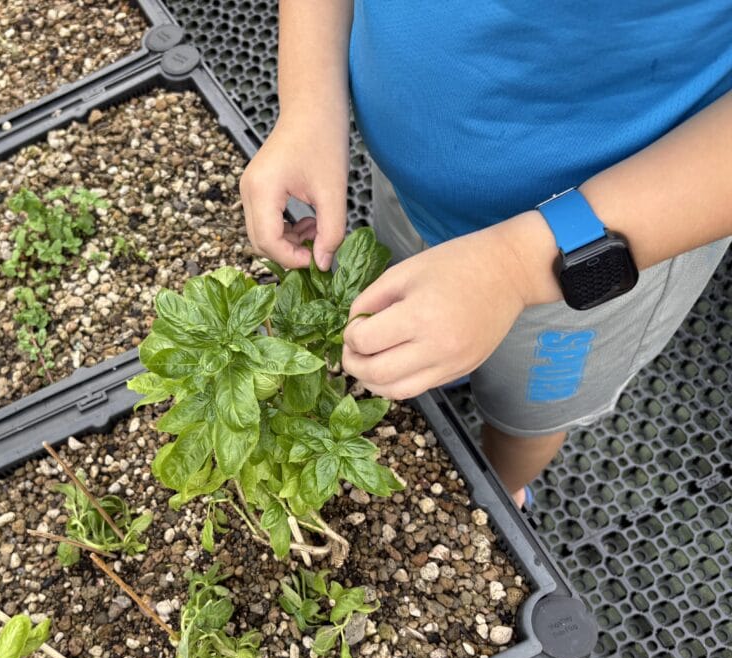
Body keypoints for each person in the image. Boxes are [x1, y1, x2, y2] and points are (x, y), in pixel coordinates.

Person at [240, 1, 732, 509]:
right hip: (406, 187)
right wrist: (307, 102)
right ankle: (446, 364)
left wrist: (515, 268)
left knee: (528, 414)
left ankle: (498, 490)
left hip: (583, 261)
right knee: (404, 305)